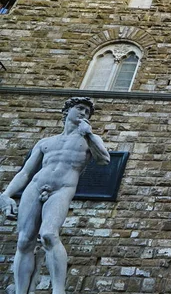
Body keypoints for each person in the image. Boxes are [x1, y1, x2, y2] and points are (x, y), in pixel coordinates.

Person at [0, 97, 110, 294]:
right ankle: (20, 290)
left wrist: (90, 135)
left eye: (87, 111)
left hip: (62, 189)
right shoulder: (46, 142)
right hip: (35, 187)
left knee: (49, 235)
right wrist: (6, 194)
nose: (84, 113)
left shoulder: (89, 140)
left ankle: (58, 290)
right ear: (67, 111)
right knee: (24, 241)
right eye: (80, 108)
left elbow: (104, 159)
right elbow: (25, 172)